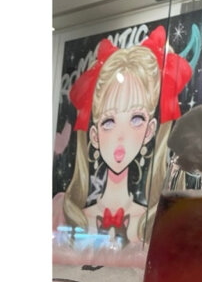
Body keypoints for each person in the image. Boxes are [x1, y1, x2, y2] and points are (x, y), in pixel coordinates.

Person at [57, 26, 192, 245]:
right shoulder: (64, 213)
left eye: (136, 119)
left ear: (150, 130)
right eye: (109, 121)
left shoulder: (158, 221)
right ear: (94, 135)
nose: (121, 137)